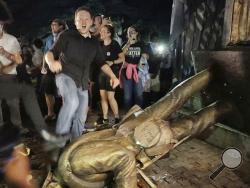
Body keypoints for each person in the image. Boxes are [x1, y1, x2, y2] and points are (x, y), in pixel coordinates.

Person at [45, 6, 119, 139]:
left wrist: (113, 76)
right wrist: (51, 62)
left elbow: (101, 62)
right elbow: (50, 53)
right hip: (65, 76)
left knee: (81, 116)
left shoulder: (94, 43)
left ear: (91, 21)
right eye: (80, 19)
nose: (83, 22)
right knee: (72, 101)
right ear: (75, 22)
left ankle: (74, 143)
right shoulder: (67, 35)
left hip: (83, 83)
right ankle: (60, 140)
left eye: (86, 19)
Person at [96, 24, 124, 126]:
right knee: (103, 97)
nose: (101, 33)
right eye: (101, 31)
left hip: (112, 74)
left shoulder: (115, 44)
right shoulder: (99, 44)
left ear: (109, 33)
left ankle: (117, 117)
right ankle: (105, 118)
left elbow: (122, 58)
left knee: (111, 97)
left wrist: (112, 62)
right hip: (101, 74)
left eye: (104, 31)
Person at [41, 19, 66, 121]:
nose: (52, 27)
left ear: (61, 26)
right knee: (47, 90)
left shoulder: (66, 37)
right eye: (51, 25)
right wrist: (43, 66)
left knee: (64, 92)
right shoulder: (49, 39)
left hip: (63, 68)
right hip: (50, 68)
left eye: (54, 25)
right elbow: (45, 53)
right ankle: (50, 113)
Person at [0, 22, 23, 129]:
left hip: (9, 76)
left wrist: (5, 53)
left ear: (1, 26)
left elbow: (19, 60)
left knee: (13, 104)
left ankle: (18, 128)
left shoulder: (11, 40)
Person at [121, 25, 149, 111]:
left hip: (139, 72)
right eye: (129, 32)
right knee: (127, 96)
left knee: (139, 95)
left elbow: (147, 57)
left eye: (132, 31)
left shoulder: (141, 44)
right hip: (127, 72)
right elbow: (121, 55)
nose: (130, 33)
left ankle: (138, 115)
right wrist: (129, 43)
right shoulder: (125, 44)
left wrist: (144, 55)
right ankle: (127, 115)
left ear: (136, 33)